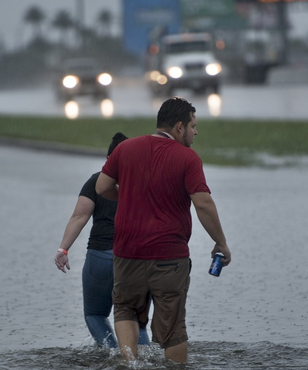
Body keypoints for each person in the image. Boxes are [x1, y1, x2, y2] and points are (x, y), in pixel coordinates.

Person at [95, 97, 231, 363]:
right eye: (193, 126)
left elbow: (101, 187)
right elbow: (203, 203)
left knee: (125, 311)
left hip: (127, 254)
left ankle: (129, 364)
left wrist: (130, 195)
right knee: (173, 330)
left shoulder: (125, 149)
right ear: (179, 127)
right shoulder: (188, 158)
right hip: (169, 258)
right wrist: (221, 242)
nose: (195, 132)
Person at [54, 132, 150, 348]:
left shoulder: (97, 181)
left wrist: (63, 249)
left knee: (95, 315)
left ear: (109, 159)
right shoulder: (145, 184)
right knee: (138, 320)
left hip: (101, 257)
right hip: (138, 260)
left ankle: (114, 353)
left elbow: (79, 216)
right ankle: (144, 359)